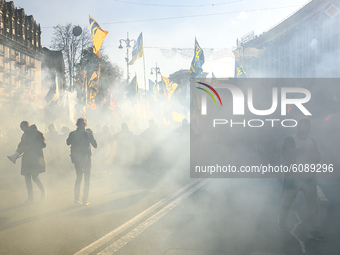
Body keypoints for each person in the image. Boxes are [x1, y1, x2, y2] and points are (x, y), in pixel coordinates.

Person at [278, 118, 324, 241]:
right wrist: (302, 150)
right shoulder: (290, 139)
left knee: (313, 206)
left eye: (306, 127)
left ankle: (314, 230)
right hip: (293, 178)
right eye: (301, 127)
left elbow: (318, 158)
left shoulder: (311, 141)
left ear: (309, 129)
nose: (304, 130)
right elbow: (287, 156)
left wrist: (312, 151)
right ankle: (281, 225)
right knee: (286, 203)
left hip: (308, 178)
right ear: (297, 128)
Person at [66, 118, 97, 206]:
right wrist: (91, 135)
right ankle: (85, 200)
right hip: (86, 158)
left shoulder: (72, 134)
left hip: (76, 158)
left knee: (78, 178)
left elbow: (68, 143)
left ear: (76, 124)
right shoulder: (88, 134)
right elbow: (95, 145)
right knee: (87, 179)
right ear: (85, 125)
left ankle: (76, 199)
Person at [15, 121, 46, 204]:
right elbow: (21, 144)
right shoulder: (24, 134)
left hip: (35, 158)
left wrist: (30, 147)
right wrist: (18, 150)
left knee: (35, 177)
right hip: (27, 159)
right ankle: (30, 198)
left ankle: (42, 190)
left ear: (27, 126)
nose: (23, 131)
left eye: (23, 129)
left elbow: (43, 144)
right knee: (27, 178)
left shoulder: (38, 133)